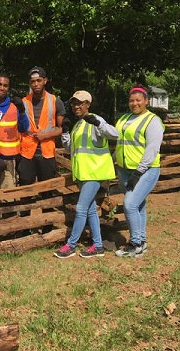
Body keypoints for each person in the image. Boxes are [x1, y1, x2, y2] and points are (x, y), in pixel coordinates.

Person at [53, 90, 118, 258]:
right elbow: (71, 149)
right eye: (74, 103)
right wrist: (66, 132)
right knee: (89, 210)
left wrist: (98, 123)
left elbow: (115, 134)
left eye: (80, 103)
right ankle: (98, 246)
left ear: (88, 104)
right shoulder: (78, 125)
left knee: (81, 208)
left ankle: (71, 245)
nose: (76, 106)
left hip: (95, 172)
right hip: (83, 173)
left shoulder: (94, 120)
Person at [114, 86, 164, 257]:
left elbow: (152, 148)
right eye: (131, 100)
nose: (134, 103)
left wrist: (139, 172)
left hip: (145, 170)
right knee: (139, 205)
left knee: (130, 204)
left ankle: (135, 243)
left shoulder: (153, 120)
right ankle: (141, 242)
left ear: (146, 101)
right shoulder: (124, 118)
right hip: (124, 169)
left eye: (138, 100)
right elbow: (120, 142)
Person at [18, 66, 66, 185]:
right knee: (25, 186)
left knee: (47, 188)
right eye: (32, 81)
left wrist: (46, 135)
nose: (36, 84)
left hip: (47, 152)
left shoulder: (55, 101)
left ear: (45, 81)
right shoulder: (23, 102)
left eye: (38, 80)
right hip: (27, 152)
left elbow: (63, 128)